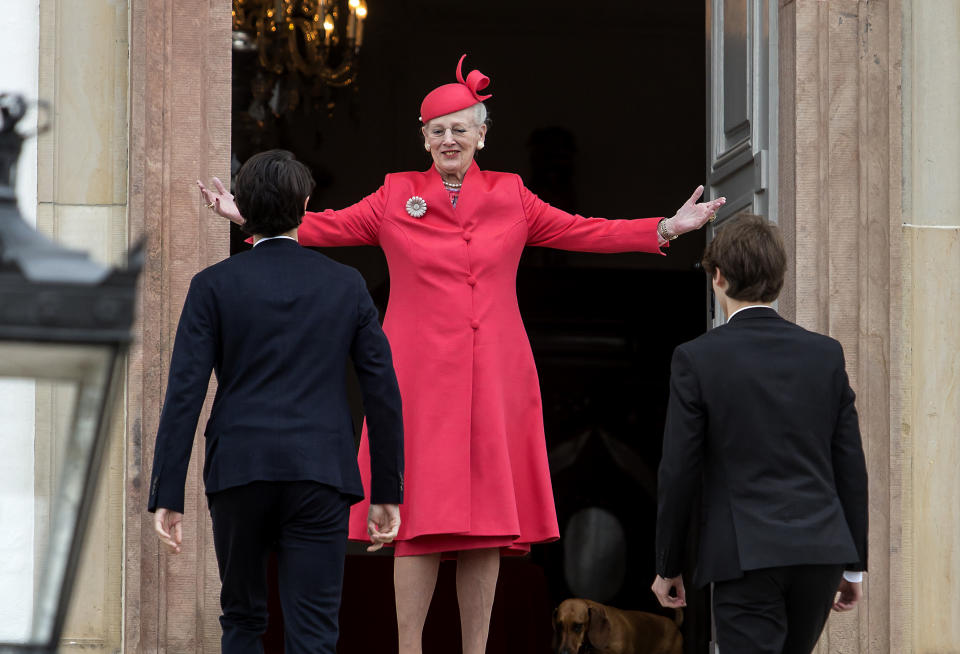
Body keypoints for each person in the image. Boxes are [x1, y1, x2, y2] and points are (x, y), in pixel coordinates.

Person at [199, 55, 726, 654]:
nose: (449, 139)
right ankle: (409, 649)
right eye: (437, 129)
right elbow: (323, 226)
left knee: (485, 528)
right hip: (416, 378)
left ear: (482, 133)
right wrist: (251, 218)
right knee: (416, 521)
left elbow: (586, 230)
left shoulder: (512, 195)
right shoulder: (397, 193)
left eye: (460, 127)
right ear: (422, 138)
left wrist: (666, 228)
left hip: (497, 373)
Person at [150, 149, 404, 654]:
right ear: (307, 206)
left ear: (242, 205)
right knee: (313, 631)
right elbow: (382, 391)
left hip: (239, 469)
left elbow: (185, 392)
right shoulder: (346, 284)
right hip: (321, 471)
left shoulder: (212, 285)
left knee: (242, 618)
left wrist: (167, 491)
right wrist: (387, 488)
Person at [651, 214, 868, 654]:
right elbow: (850, 464)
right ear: (779, 280)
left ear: (718, 277)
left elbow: (679, 469)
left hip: (743, 554)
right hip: (819, 553)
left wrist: (668, 564)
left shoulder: (697, 358)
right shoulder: (825, 355)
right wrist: (854, 565)